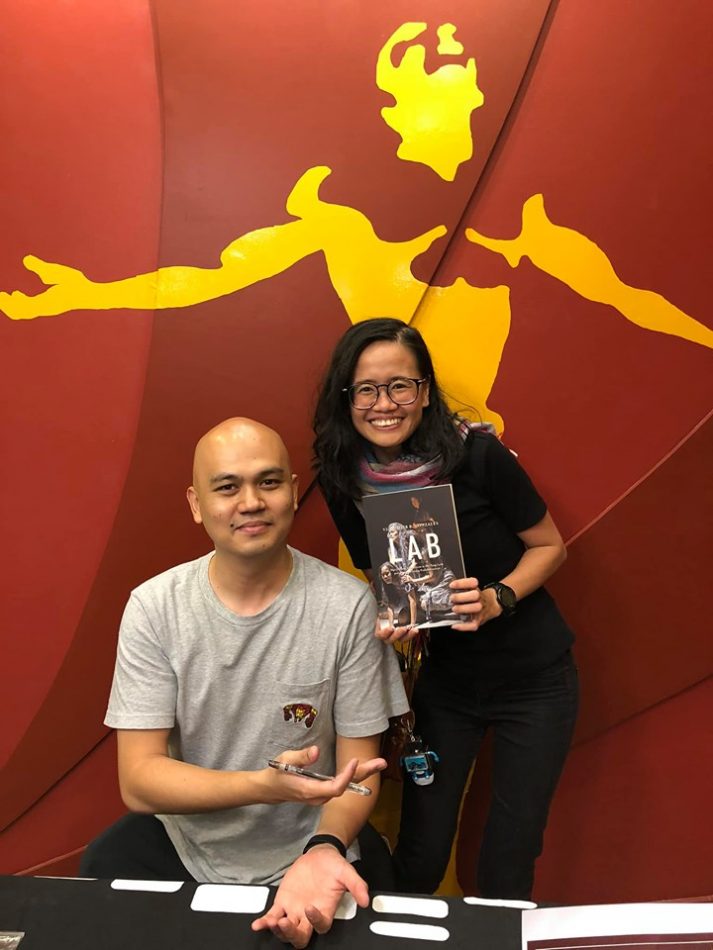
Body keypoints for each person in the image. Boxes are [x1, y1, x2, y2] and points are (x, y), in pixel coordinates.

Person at [80, 417, 409, 948]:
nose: (251, 502)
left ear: (294, 492)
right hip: (185, 844)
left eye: (269, 482)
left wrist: (323, 847)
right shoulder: (154, 608)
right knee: (98, 884)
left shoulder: (348, 606)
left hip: (315, 838)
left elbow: (358, 775)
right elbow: (138, 780)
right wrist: (264, 786)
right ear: (196, 504)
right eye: (228, 487)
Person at [312, 319, 579, 900]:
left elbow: (550, 547)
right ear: (346, 398)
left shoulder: (477, 454)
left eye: (400, 386)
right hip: (447, 684)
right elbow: (383, 577)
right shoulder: (341, 478)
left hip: (535, 679)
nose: (384, 404)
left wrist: (496, 598)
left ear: (426, 392)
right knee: (421, 850)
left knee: (509, 854)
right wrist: (394, 620)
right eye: (366, 389)